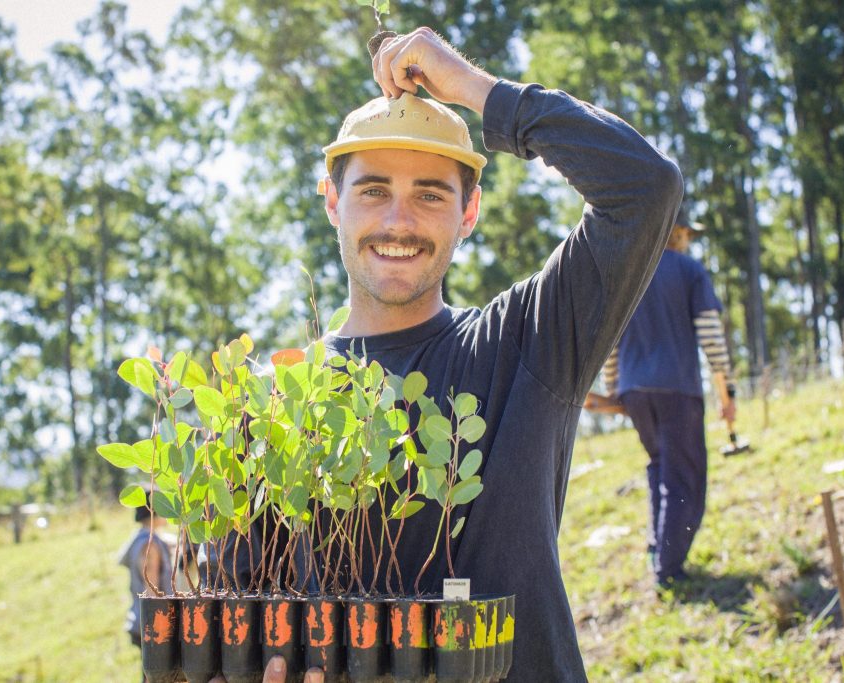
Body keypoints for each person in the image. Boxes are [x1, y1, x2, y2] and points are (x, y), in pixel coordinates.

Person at [206, 26, 682, 682]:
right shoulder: (268, 400)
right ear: (332, 201)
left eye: (430, 193)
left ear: (470, 210)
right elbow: (229, 612)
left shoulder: (528, 344)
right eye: (374, 189)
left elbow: (644, 187)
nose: (399, 221)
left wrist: (472, 88)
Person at [601, 206, 736, 587]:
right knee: (685, 479)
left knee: (661, 467)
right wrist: (727, 393)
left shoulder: (629, 276)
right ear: (676, 232)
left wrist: (616, 391)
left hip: (634, 390)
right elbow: (710, 335)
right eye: (687, 233)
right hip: (677, 388)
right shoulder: (689, 271)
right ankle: (669, 570)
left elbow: (612, 344)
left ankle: (657, 550)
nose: (689, 239)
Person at [118, 495, 173, 651]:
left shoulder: (138, 538)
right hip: (151, 625)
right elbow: (152, 589)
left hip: (140, 619)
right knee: (154, 674)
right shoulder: (150, 546)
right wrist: (158, 630)